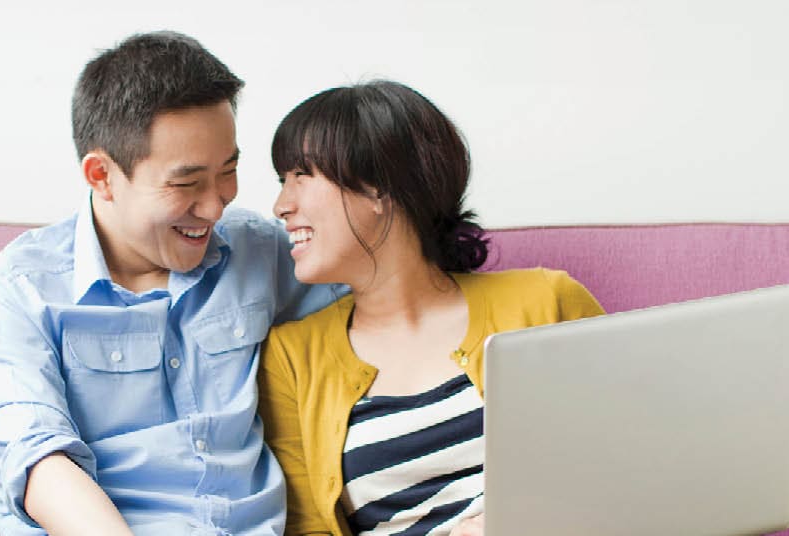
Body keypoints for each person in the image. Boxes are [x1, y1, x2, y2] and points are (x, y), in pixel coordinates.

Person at [0, 31, 333, 536]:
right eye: (186, 183)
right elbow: (37, 459)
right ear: (102, 175)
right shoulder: (12, 291)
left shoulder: (260, 252)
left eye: (229, 170)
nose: (216, 203)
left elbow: (387, 308)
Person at [256, 80, 606, 536]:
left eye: (301, 175)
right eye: (282, 181)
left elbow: (628, 455)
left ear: (378, 186)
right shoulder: (292, 356)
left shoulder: (546, 302)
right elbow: (308, 529)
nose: (281, 204)